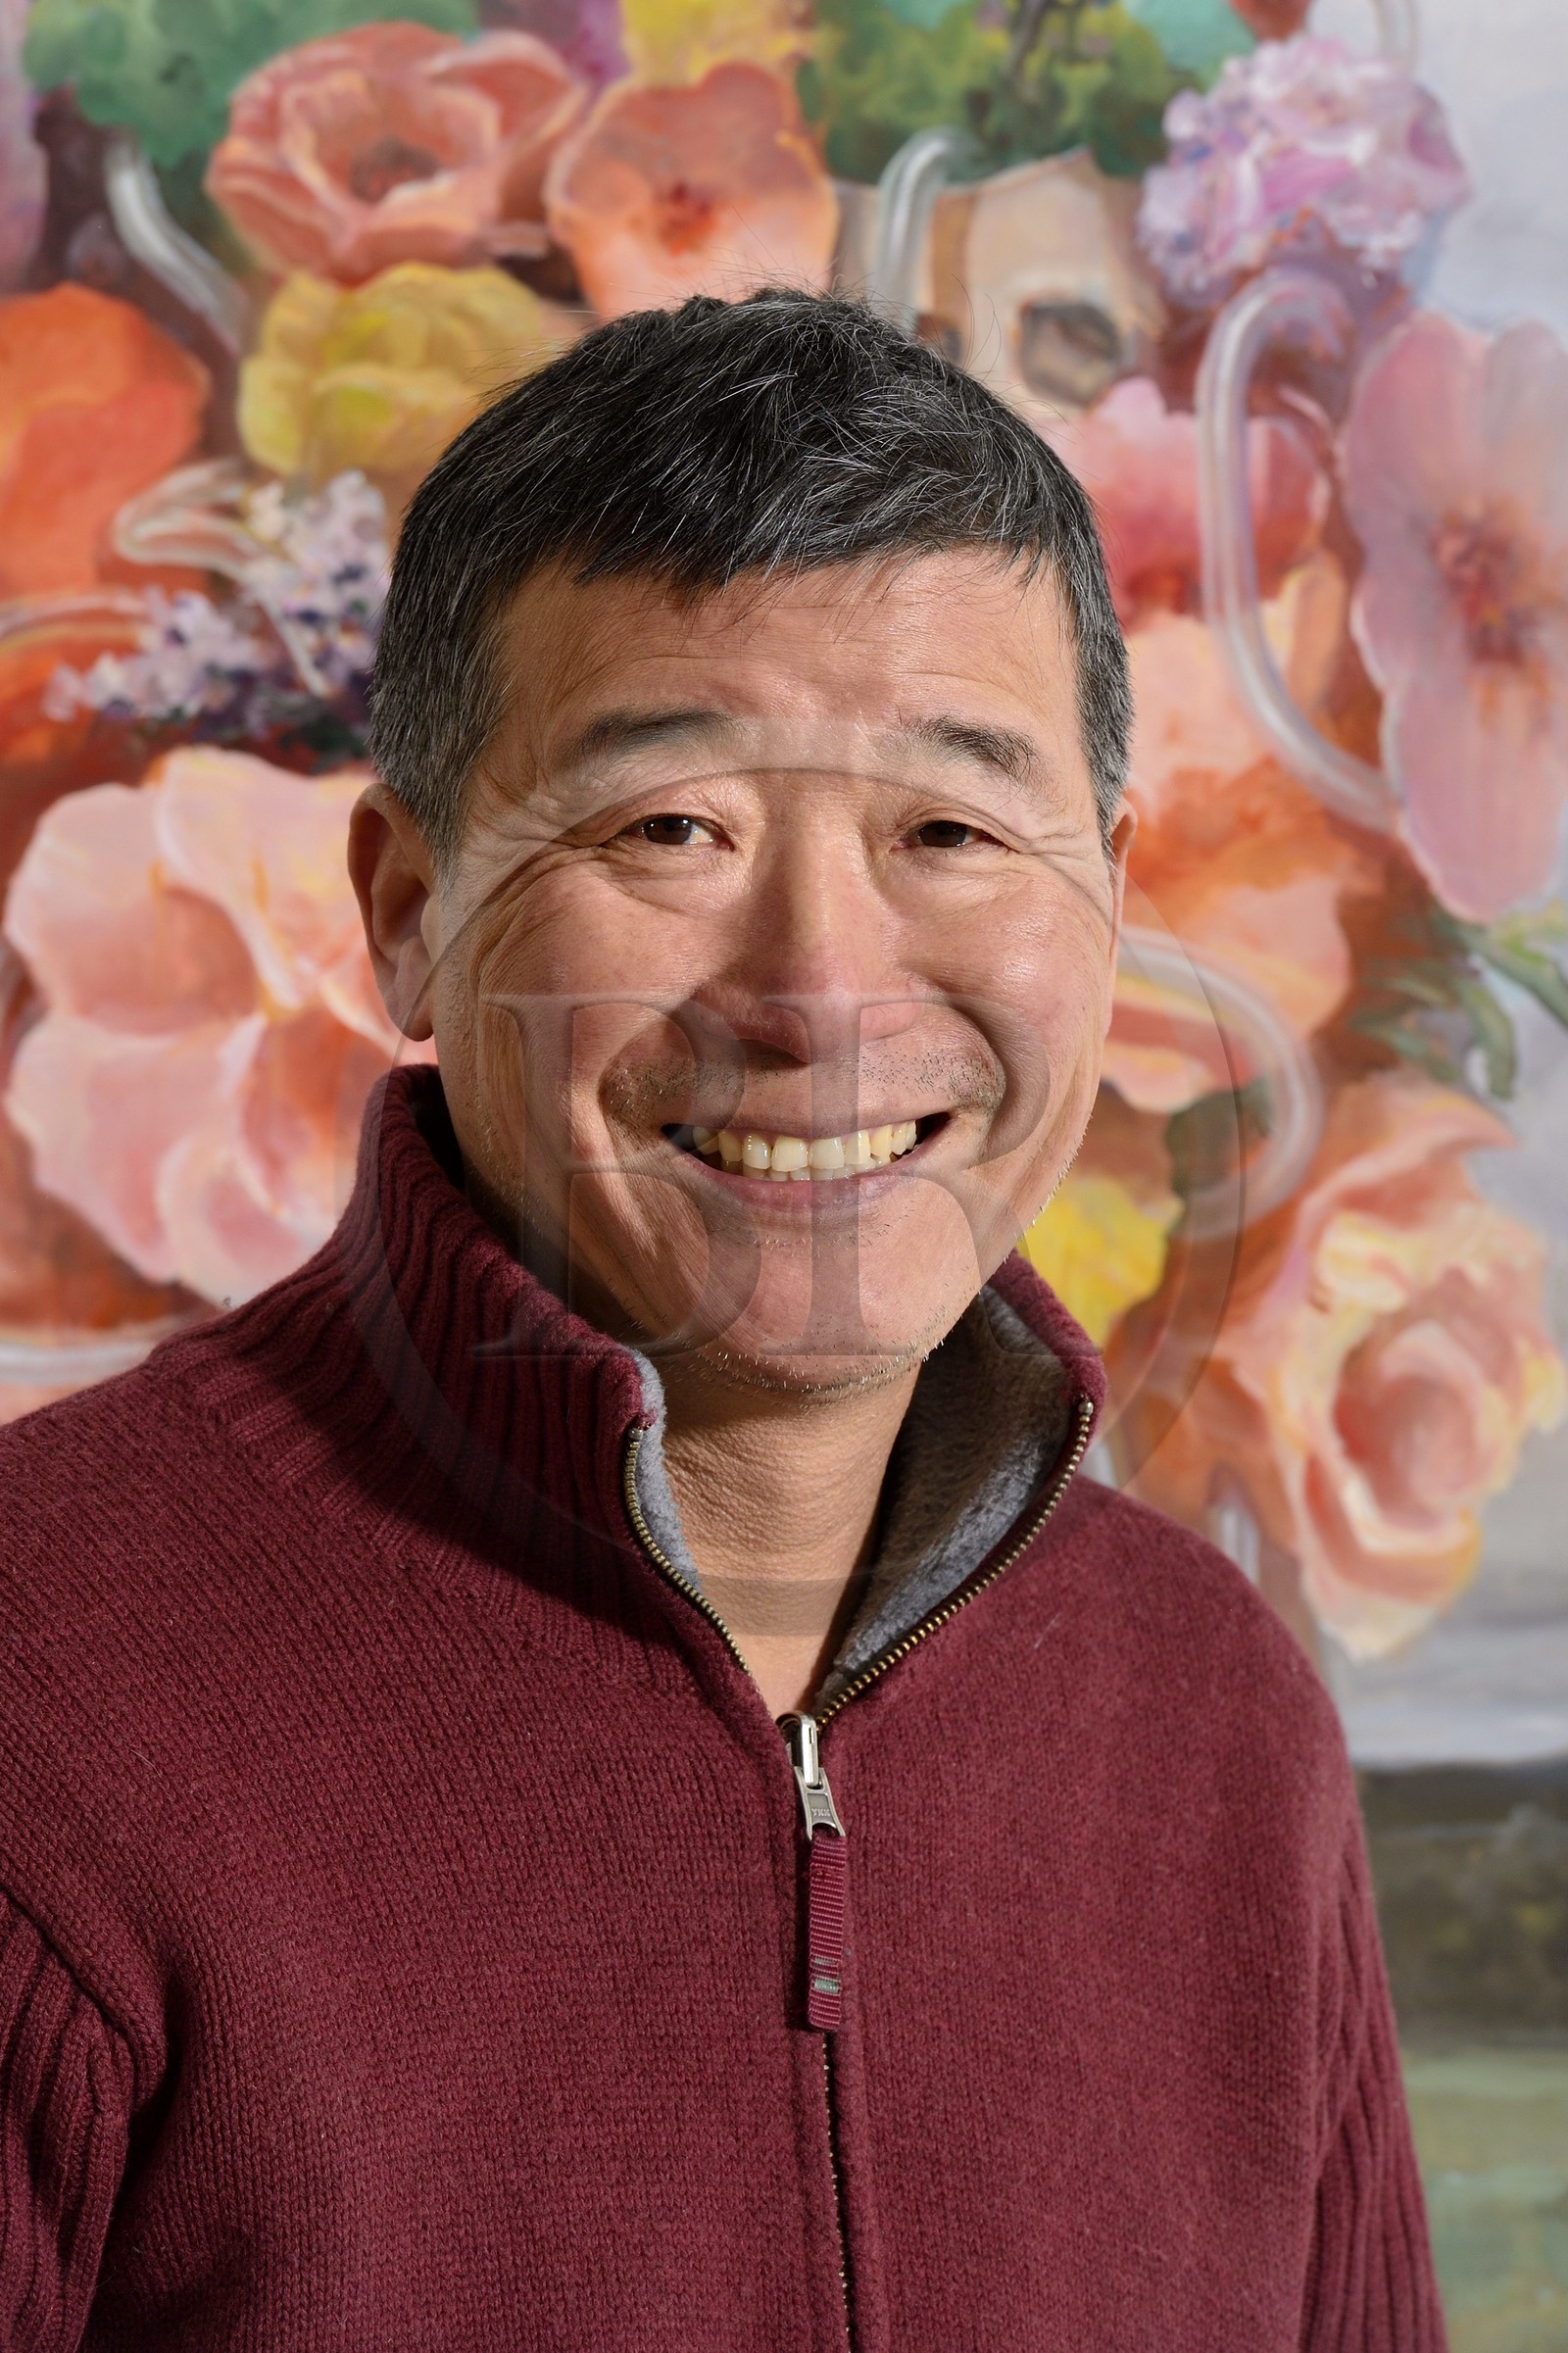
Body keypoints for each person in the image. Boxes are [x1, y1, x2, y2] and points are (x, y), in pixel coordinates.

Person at [0, 291, 1444, 2352]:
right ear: (405, 910)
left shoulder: (1214, 1720)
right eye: (668, 827)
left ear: (1105, 902)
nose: (820, 987)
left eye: (947, 829)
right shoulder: (39, 1687)